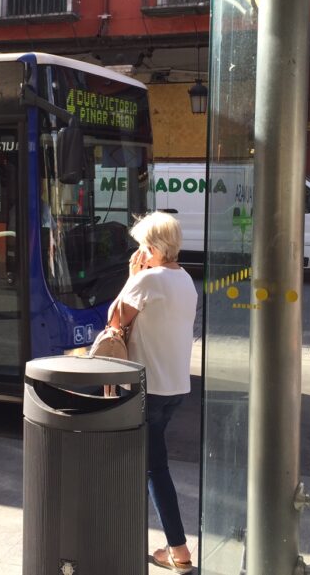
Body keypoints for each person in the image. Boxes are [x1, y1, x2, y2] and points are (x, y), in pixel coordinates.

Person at [107, 211, 197, 574]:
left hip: (148, 387)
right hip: (175, 387)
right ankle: (136, 536)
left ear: (156, 248)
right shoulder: (186, 280)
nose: (140, 252)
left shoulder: (148, 280)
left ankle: (179, 550)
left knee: (153, 468)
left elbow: (114, 321)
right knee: (145, 462)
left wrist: (132, 278)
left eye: (143, 245)